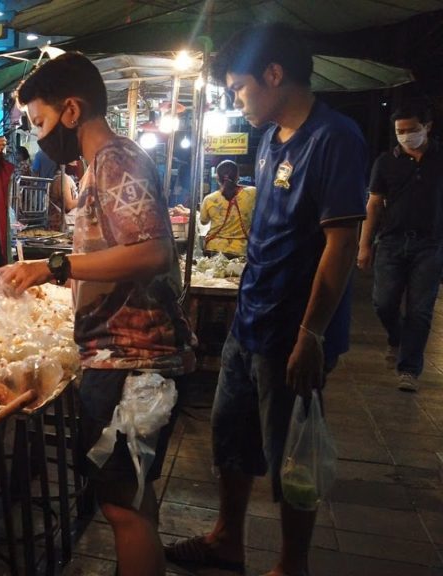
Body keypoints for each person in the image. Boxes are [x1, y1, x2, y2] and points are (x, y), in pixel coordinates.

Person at [163, 23, 366, 576]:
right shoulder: (270, 140)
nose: (236, 98)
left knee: (290, 455)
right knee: (232, 440)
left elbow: (342, 244)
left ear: (274, 75)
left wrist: (312, 335)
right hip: (249, 321)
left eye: (239, 87)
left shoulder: (335, 137)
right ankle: (227, 540)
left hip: (294, 332)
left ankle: (290, 565)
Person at [0, 52, 195, 576]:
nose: (38, 135)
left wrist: (54, 266)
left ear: (70, 110)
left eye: (39, 122)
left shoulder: (115, 160)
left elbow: (153, 251)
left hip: (131, 359)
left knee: (120, 507)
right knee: (133, 500)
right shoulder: (99, 167)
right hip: (118, 356)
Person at [357, 101, 443, 392]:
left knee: (420, 310)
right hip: (391, 242)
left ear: (427, 127)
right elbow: (373, 204)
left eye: (411, 129)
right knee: (383, 302)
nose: (405, 135)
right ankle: (397, 337)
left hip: (430, 245)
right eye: (400, 131)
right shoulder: (385, 162)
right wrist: (364, 245)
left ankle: (408, 369)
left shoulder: (439, 158)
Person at [199, 159, 257, 258]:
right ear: (237, 176)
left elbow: (203, 221)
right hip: (240, 250)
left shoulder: (209, 199)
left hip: (214, 249)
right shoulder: (252, 193)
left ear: (217, 177)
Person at [46, 164, 77, 232]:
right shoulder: (61, 179)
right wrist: (85, 197)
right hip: (62, 226)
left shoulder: (65, 178)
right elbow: (68, 205)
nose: (77, 163)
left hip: (66, 224)